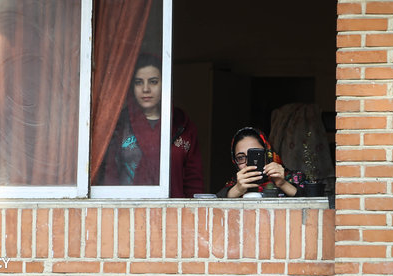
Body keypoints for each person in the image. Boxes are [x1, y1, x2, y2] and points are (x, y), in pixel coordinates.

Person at [98, 54, 204, 198]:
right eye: (139, 82)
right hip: (126, 210)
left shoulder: (181, 125)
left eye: (153, 82)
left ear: (165, 84)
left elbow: (194, 183)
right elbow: (110, 176)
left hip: (174, 214)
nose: (146, 89)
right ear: (131, 86)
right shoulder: (120, 125)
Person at [216, 127, 305, 198]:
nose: (248, 163)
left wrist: (283, 184)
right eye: (241, 157)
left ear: (268, 153)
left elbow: (314, 207)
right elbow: (214, 206)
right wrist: (237, 190)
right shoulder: (235, 184)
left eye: (256, 154)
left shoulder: (293, 178)